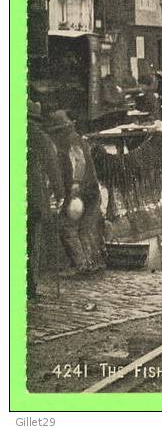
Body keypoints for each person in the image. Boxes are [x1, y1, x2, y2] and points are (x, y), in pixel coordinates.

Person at [45, 110, 105, 273]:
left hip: (80, 192)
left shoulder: (70, 140)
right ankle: (93, 262)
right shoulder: (77, 138)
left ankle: (82, 264)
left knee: (68, 227)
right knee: (85, 228)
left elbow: (79, 162)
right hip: (91, 190)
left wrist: (75, 185)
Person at [27, 100, 64, 296]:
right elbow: (53, 168)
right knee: (32, 242)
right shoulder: (41, 138)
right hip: (33, 199)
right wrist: (60, 193)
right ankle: (29, 287)